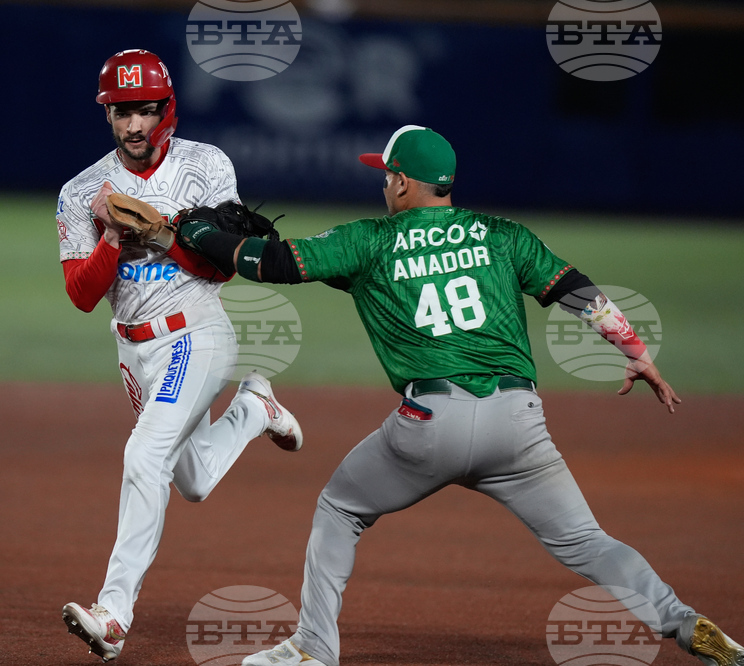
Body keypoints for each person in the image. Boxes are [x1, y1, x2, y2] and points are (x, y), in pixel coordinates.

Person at [171, 125, 743, 666]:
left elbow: (271, 264)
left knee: (340, 509)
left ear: (401, 182)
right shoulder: (503, 234)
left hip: (429, 423)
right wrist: (636, 350)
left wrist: (198, 235)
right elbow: (576, 291)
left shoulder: (369, 240)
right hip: (519, 426)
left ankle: (314, 647)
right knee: (588, 541)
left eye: (386, 175)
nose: (383, 184)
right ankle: (683, 622)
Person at [55, 49, 302, 663]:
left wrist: (159, 230)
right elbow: (82, 294)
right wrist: (114, 236)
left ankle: (113, 614)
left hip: (197, 332)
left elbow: (223, 267)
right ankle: (255, 408)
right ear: (107, 115)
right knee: (190, 479)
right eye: (121, 112)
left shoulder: (205, 166)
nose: (133, 125)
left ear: (167, 108)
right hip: (133, 349)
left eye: (145, 110)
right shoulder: (81, 191)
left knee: (145, 455)